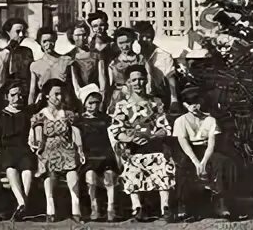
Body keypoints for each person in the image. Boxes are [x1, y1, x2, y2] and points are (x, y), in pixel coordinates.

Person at [109, 65, 176, 223]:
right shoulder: (122, 106)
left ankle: (165, 207)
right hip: (133, 148)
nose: (138, 83)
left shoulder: (156, 103)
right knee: (131, 164)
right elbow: (116, 130)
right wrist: (130, 138)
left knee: (163, 161)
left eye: (141, 79)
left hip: (154, 146)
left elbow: (164, 127)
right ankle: (137, 207)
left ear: (146, 80)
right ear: (128, 83)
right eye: (134, 80)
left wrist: (153, 136)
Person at [172, 86, 234, 220]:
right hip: (189, 151)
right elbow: (183, 143)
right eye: (189, 103)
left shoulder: (210, 120)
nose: (193, 106)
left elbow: (211, 143)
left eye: (196, 102)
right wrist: (196, 162)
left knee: (222, 162)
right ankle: (184, 205)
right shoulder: (180, 121)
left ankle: (221, 203)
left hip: (207, 151)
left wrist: (204, 162)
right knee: (182, 165)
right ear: (184, 104)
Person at [29, 79, 84, 223]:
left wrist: (80, 149)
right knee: (49, 170)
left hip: (66, 146)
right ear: (47, 95)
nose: (60, 97)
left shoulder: (68, 114)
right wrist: (39, 146)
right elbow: (38, 134)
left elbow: (75, 132)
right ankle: (50, 206)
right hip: (48, 148)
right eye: (56, 94)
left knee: (72, 170)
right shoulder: (40, 115)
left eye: (61, 94)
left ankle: (76, 207)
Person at [0, 81, 36, 220]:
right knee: (10, 168)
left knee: (27, 169)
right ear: (7, 97)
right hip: (7, 148)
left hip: (23, 147)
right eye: (13, 95)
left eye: (20, 95)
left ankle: (22, 204)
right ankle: (22, 202)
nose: (17, 98)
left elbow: (31, 134)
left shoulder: (26, 114)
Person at [75, 84, 119, 222]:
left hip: (106, 153)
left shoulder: (106, 118)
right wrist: (80, 151)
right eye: (91, 103)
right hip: (89, 155)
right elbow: (77, 139)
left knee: (110, 176)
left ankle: (111, 207)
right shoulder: (79, 120)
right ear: (85, 103)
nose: (94, 106)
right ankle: (94, 205)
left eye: (97, 103)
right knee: (90, 177)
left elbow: (113, 134)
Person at [133, 20, 179, 111]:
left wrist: (174, 99)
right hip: (135, 98)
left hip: (157, 97)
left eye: (149, 37)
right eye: (142, 36)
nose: (145, 40)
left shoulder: (164, 56)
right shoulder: (133, 54)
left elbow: (170, 77)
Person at [28, 27, 75, 107]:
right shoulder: (35, 66)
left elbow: (73, 86)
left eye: (51, 41)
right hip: (44, 105)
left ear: (55, 40)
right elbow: (32, 91)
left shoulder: (66, 60)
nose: (48, 44)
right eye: (45, 41)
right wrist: (30, 109)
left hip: (64, 103)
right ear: (40, 43)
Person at [107, 27, 145, 111]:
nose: (124, 46)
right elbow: (110, 84)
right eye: (121, 43)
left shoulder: (141, 59)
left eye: (127, 42)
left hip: (138, 94)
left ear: (132, 40)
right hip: (120, 96)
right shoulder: (113, 63)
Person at [67, 20, 106, 101]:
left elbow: (102, 76)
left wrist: (102, 94)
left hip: (95, 94)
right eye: (77, 35)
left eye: (84, 35)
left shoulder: (97, 54)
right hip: (77, 96)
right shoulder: (69, 56)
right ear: (72, 36)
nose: (81, 38)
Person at [2, 17, 34, 87]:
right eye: (18, 31)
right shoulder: (1, 51)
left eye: (23, 31)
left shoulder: (27, 52)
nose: (21, 35)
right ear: (8, 32)